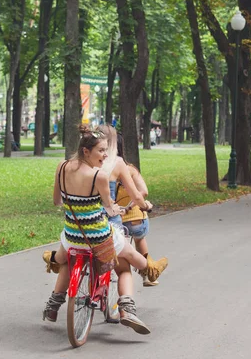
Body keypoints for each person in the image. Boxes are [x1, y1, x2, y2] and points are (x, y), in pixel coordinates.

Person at [41, 126, 168, 334]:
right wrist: (115, 207)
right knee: (129, 258)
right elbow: (109, 207)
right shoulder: (98, 175)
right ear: (86, 151)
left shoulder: (61, 167)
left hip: (73, 235)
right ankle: (148, 275)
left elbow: (57, 201)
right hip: (98, 237)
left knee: (67, 261)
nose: (105, 155)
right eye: (101, 151)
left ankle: (53, 304)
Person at [115, 133, 157, 286]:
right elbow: (143, 192)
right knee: (139, 239)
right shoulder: (130, 170)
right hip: (135, 218)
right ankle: (147, 274)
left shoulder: (102, 171)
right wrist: (131, 206)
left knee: (121, 247)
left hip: (114, 218)